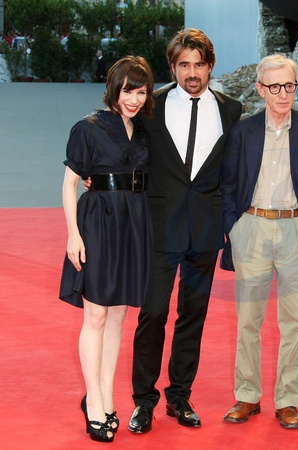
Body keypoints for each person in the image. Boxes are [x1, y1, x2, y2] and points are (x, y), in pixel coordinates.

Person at [126, 28, 242, 433]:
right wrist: (98, 178)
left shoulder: (231, 109)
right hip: (159, 226)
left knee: (193, 315)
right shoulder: (151, 106)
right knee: (153, 313)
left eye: (199, 65)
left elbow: (232, 170)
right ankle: (144, 401)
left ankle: (179, 396)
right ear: (172, 67)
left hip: (205, 228)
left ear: (210, 66)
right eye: (183, 65)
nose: (192, 73)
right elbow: (128, 151)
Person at [220, 54, 298, 429]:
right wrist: (235, 228)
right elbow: (228, 184)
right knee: (248, 321)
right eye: (275, 86)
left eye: (289, 85)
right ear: (260, 89)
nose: (283, 93)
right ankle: (247, 396)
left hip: (297, 230)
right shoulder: (243, 131)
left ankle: (287, 401)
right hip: (252, 228)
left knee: (294, 323)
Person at [59, 55, 155, 442]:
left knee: (117, 316)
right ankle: (94, 401)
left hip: (133, 223)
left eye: (141, 92)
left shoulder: (144, 130)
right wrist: (73, 235)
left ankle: (107, 395)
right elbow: (70, 183)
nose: (133, 99)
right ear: (113, 88)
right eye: (128, 91)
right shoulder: (87, 128)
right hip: (98, 223)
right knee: (96, 314)